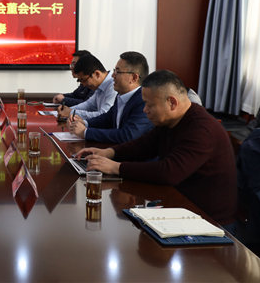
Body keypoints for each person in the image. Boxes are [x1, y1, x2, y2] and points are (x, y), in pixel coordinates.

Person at [75, 70, 237, 226]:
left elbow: (169, 172)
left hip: (208, 221)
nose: (145, 110)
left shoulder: (201, 129)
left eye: (149, 105)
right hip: (180, 207)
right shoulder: (172, 120)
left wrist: (116, 167)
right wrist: (109, 152)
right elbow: (144, 145)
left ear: (172, 103)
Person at [68, 51, 154, 143]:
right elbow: (107, 118)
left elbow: (128, 135)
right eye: (114, 70)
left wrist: (85, 132)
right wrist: (85, 123)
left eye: (118, 71)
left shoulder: (144, 101)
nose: (113, 75)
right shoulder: (121, 95)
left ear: (134, 78)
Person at [57, 53, 117, 121]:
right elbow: (89, 105)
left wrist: (71, 112)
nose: (83, 85)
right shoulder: (100, 85)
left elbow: (104, 115)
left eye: (84, 80)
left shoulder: (114, 86)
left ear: (97, 74)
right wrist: (68, 110)